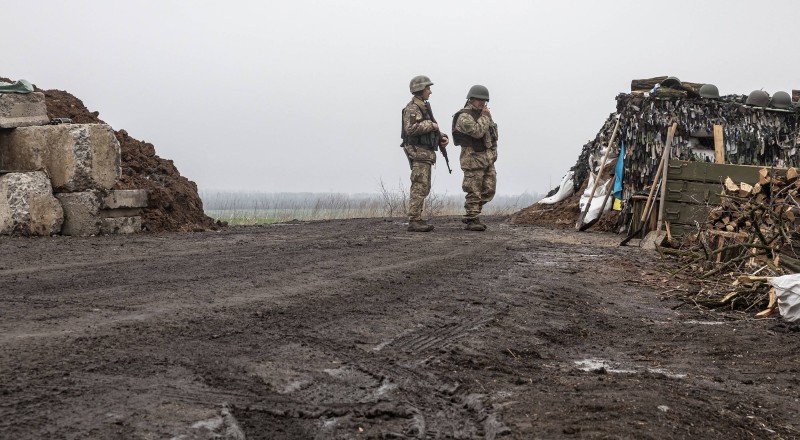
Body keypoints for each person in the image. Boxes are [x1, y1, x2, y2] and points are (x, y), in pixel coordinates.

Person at [400, 75, 450, 232]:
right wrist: (431, 125)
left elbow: (430, 128)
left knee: (424, 186)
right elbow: (411, 129)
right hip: (418, 152)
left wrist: (441, 136)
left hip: (425, 153)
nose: (430, 91)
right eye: (428, 88)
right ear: (420, 90)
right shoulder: (413, 108)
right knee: (419, 186)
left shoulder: (424, 106)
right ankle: (414, 220)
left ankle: (417, 218)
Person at [451, 85, 498, 231]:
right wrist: (485, 118)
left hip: (486, 158)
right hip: (472, 159)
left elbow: (492, 136)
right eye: (479, 100)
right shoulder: (463, 116)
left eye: (484, 101)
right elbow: (477, 132)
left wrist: (493, 154)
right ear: (471, 99)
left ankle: (473, 213)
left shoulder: (484, 115)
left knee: (489, 189)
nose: (482, 103)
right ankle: (472, 218)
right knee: (474, 190)